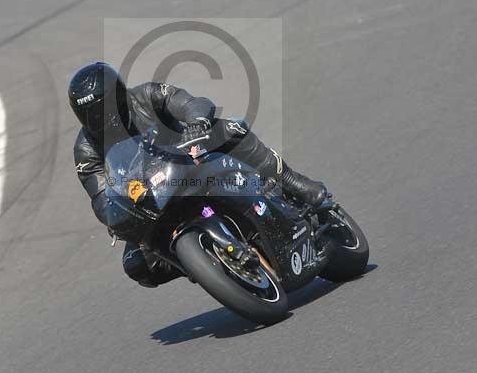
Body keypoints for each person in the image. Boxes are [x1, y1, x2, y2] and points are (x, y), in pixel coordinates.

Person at [69, 62, 329, 287]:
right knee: (136, 265)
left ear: (119, 96)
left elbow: (191, 103)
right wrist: (115, 217)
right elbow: (100, 197)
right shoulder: (85, 150)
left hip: (188, 160)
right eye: (88, 114)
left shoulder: (147, 96)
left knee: (230, 129)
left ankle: (291, 181)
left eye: (101, 109)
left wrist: (196, 124)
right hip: (149, 199)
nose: (97, 119)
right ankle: (198, 262)